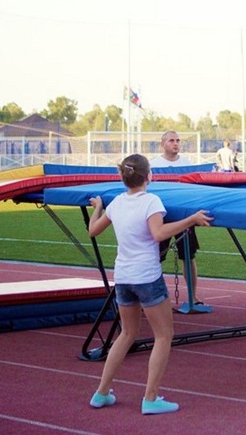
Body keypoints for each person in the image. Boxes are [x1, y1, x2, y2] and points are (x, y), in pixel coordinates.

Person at [87, 154, 211, 415]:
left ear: (123, 177)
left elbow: (93, 231)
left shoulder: (117, 203)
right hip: (146, 277)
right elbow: (159, 233)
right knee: (164, 336)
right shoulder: (151, 201)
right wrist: (191, 219)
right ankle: (151, 398)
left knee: (127, 334)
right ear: (149, 176)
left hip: (123, 277)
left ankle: (102, 392)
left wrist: (97, 206)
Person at [151, 131, 202, 306]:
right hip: (161, 217)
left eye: (178, 140)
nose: (175, 143)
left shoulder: (187, 164)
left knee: (188, 256)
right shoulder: (153, 165)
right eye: (171, 140)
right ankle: (151, 297)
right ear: (163, 144)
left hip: (184, 217)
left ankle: (193, 296)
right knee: (155, 258)